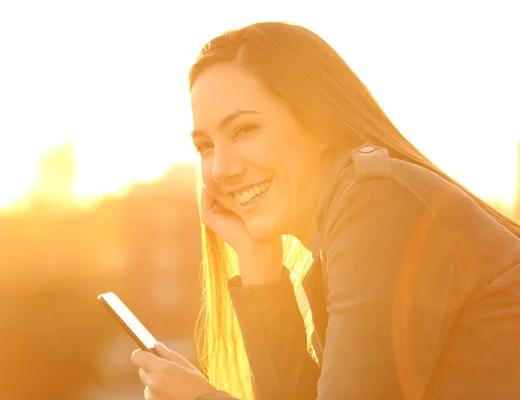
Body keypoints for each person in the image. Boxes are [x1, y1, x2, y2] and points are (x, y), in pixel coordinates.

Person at [130, 21, 520, 400]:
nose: (220, 169)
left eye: (245, 130)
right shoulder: (342, 237)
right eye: (206, 146)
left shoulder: (377, 202)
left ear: (318, 121)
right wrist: (256, 260)